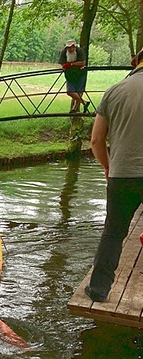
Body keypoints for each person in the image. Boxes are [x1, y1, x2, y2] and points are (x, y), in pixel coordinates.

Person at [85, 47, 143, 302]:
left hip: (122, 175)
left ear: (135, 61)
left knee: (114, 232)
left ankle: (98, 289)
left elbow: (96, 140)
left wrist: (109, 167)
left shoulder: (115, 91)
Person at [58, 39, 90, 114]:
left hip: (80, 73)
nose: (70, 49)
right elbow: (62, 64)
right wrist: (70, 65)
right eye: (68, 47)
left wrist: (71, 64)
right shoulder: (64, 52)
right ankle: (85, 103)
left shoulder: (80, 51)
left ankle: (74, 109)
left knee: (80, 91)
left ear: (74, 47)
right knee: (69, 91)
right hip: (70, 75)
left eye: (71, 47)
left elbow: (82, 63)